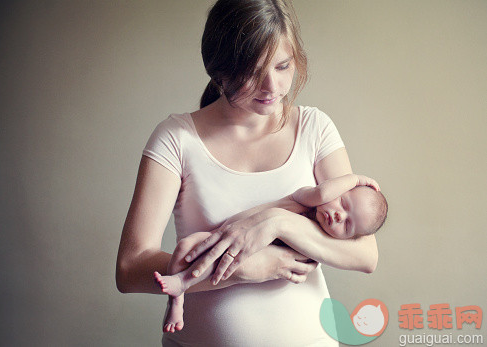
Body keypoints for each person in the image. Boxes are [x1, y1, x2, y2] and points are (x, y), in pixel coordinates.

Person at [116, 0, 380, 346]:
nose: (271, 87)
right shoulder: (176, 139)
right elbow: (129, 269)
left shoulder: (314, 128)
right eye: (253, 73)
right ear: (219, 70)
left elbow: (365, 255)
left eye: (283, 66)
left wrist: (278, 223)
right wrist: (239, 270)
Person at [154, 174, 388, 333]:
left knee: (217, 262)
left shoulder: (319, 242)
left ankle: (181, 284)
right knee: (186, 247)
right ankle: (177, 300)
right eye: (343, 204)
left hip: (241, 260)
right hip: (224, 235)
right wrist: (356, 179)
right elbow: (322, 193)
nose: (339, 216)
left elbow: (365, 259)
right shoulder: (305, 200)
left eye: (347, 226)